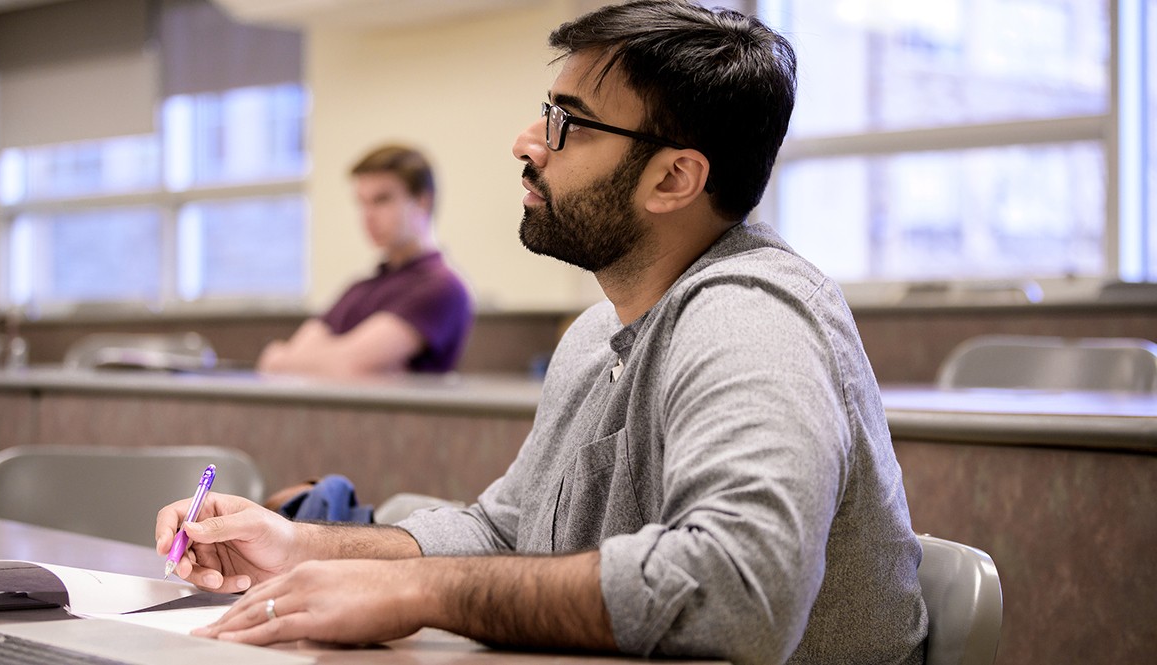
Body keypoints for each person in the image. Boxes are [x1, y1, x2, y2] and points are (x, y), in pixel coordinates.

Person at [156, 2, 928, 662]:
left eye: (568, 123)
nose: (528, 142)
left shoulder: (753, 316)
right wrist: (300, 545)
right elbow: (505, 532)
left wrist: (420, 590)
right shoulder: (597, 334)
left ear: (673, 178)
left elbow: (741, 589)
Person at [257, 144, 473, 377]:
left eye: (381, 200)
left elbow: (349, 365)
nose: (368, 216)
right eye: (362, 202)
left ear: (422, 201)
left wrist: (306, 359)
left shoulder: (442, 287)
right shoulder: (359, 289)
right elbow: (276, 364)